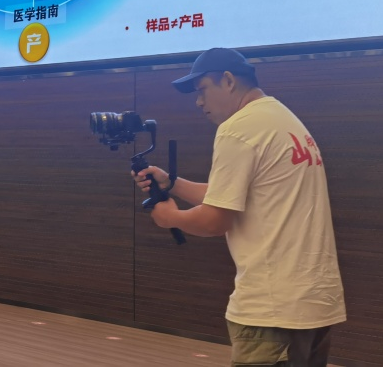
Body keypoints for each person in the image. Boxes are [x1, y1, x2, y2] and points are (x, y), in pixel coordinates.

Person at [133, 48, 345, 367]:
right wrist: (171, 183)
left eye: (203, 89)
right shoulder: (281, 118)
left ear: (229, 81)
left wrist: (169, 217)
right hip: (314, 302)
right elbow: (235, 195)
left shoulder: (239, 128)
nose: (198, 101)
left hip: (270, 309)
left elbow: (215, 221)